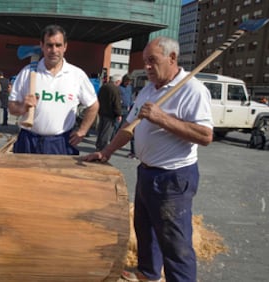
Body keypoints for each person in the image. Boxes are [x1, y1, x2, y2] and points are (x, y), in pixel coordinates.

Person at [82, 36, 213, 282]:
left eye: (153, 61)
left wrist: (162, 118)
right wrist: (107, 151)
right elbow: (129, 126)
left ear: (172, 58)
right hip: (147, 171)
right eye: (145, 62)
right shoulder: (149, 89)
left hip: (173, 176)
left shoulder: (192, 90)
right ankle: (148, 274)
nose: (147, 67)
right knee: (145, 229)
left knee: (175, 242)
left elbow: (205, 136)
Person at [8, 24, 99, 155]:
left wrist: (82, 131)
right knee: (26, 176)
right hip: (28, 140)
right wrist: (22, 107)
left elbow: (93, 105)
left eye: (58, 45)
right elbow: (11, 106)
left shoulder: (76, 75)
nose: (54, 50)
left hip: (61, 142)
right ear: (42, 46)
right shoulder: (28, 72)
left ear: (65, 46)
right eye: (49, 45)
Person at [95, 73, 122, 151]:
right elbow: (116, 102)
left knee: (101, 129)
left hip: (102, 111)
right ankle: (103, 147)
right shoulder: (114, 89)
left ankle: (98, 145)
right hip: (110, 113)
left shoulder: (104, 86)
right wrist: (118, 114)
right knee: (107, 131)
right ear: (117, 81)